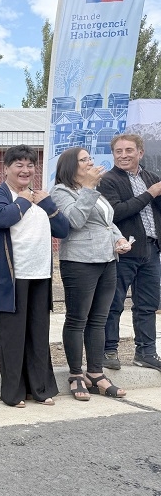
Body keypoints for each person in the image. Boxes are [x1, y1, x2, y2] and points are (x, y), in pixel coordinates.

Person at [0, 145, 68, 407]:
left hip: (39, 275)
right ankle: (14, 393)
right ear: (6, 168)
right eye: (18, 164)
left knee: (38, 335)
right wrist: (23, 199)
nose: (25, 169)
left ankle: (40, 389)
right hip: (10, 276)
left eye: (30, 165)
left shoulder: (40, 196)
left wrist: (47, 203)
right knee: (12, 337)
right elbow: (0, 218)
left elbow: (62, 229)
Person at [50, 147, 129, 402]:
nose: (90, 163)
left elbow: (107, 221)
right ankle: (75, 374)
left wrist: (119, 239)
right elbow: (74, 220)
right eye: (83, 160)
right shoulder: (61, 192)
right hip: (80, 261)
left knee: (99, 319)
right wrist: (88, 189)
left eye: (90, 159)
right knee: (77, 319)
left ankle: (95, 373)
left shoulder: (94, 189)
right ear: (70, 167)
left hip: (107, 259)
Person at [98, 134, 161, 371]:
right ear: (113, 154)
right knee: (113, 303)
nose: (123, 155)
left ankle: (146, 351)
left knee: (147, 304)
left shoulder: (151, 178)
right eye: (118, 151)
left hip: (151, 250)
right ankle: (109, 350)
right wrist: (150, 194)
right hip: (123, 251)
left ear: (140, 153)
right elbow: (116, 212)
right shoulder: (108, 181)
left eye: (129, 150)